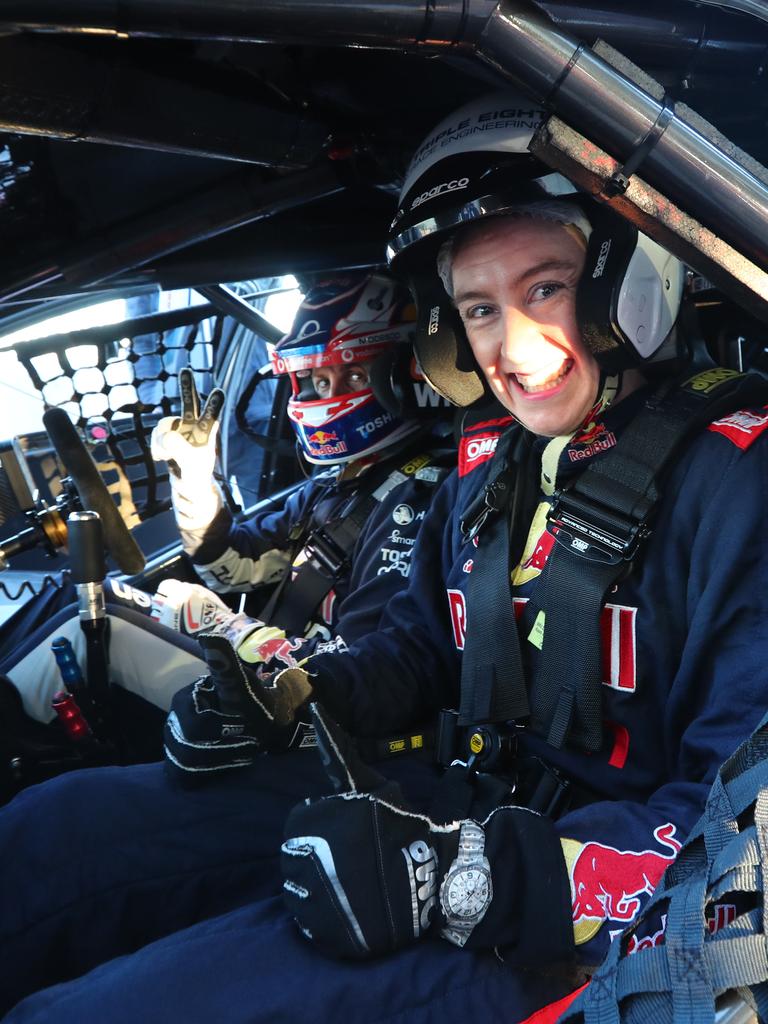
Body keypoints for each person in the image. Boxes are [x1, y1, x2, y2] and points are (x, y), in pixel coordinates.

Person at [3, 92, 768, 1023]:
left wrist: (483, 878)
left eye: (544, 289)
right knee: (52, 837)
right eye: (478, 308)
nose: (510, 348)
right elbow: (413, 652)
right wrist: (301, 697)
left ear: (626, 283)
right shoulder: (487, 472)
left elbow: (738, 832)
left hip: (597, 913)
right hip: (444, 811)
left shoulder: (741, 482)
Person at [0, 271, 452, 737]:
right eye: (317, 380)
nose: (328, 396)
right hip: (272, 679)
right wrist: (194, 478)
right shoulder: (341, 480)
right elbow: (229, 566)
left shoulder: (421, 499)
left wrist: (225, 626)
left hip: (307, 714)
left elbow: (360, 675)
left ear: (406, 374)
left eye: (354, 374)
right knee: (81, 595)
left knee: (94, 629)